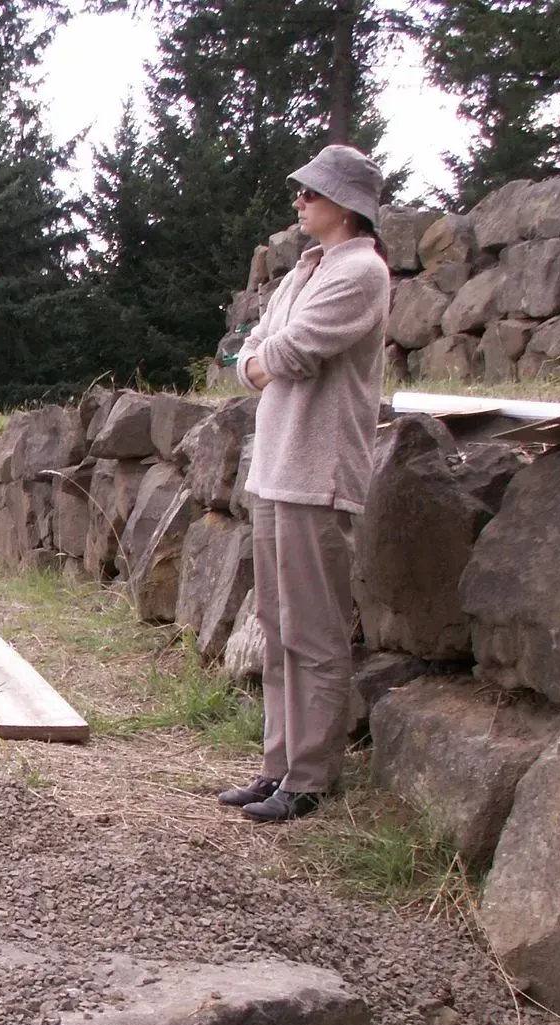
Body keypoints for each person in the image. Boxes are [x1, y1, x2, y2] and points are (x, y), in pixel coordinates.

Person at [220, 143, 391, 824]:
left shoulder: (361, 272)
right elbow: (252, 349)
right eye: (301, 191)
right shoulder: (304, 271)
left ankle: (311, 776)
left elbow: (290, 351)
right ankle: (278, 767)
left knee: (314, 631)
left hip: (316, 475)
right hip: (276, 468)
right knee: (278, 624)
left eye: (312, 194)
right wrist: (262, 359)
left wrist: (264, 359)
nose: (300, 201)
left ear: (346, 207)